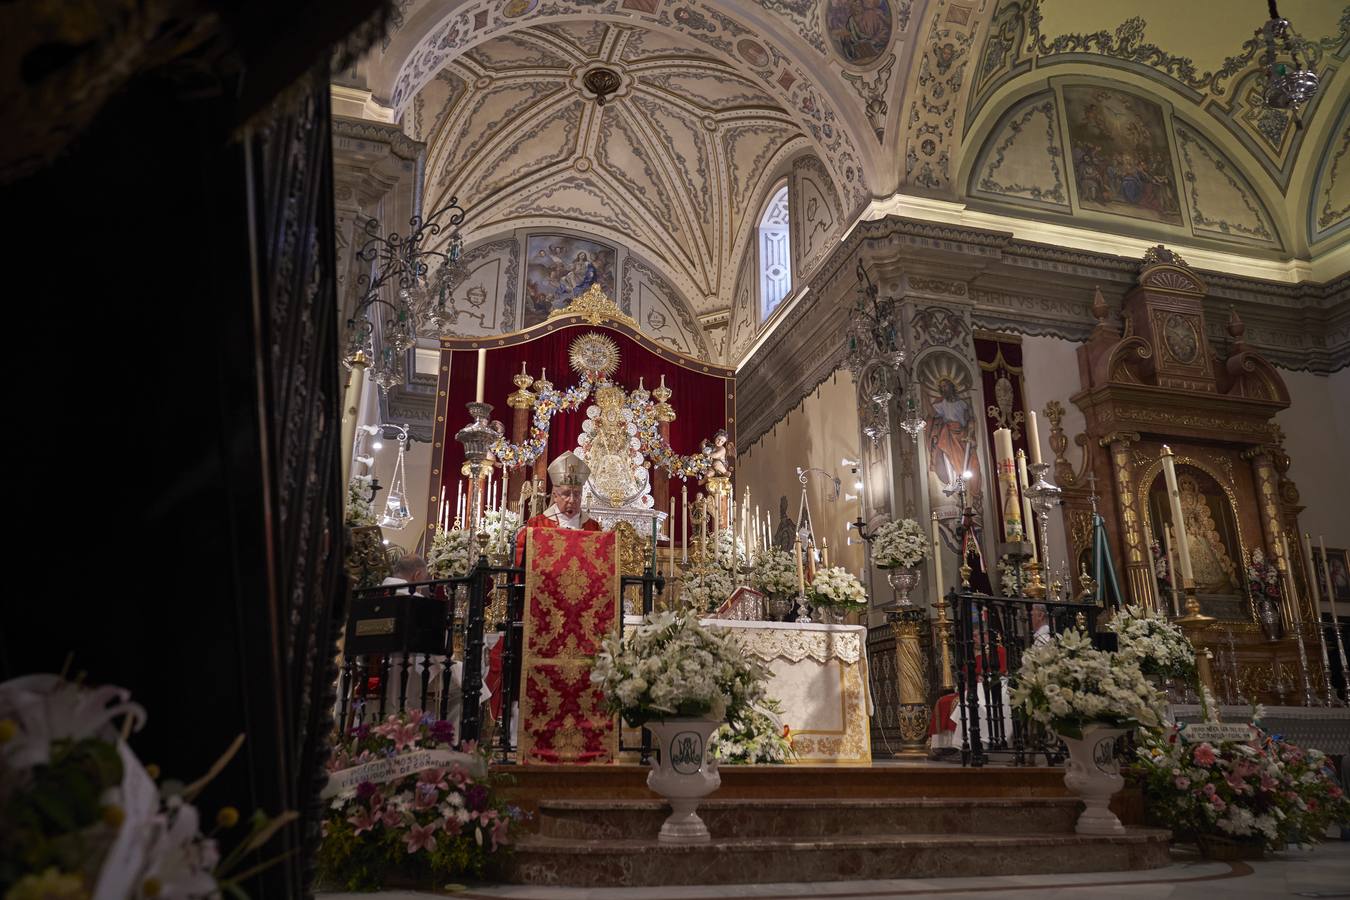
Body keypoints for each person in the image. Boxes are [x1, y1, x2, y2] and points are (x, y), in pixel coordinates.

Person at [514, 451, 602, 565]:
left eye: (577, 494)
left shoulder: (593, 528)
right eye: (566, 494)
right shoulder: (536, 526)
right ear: (555, 496)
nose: (572, 499)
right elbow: (520, 563)